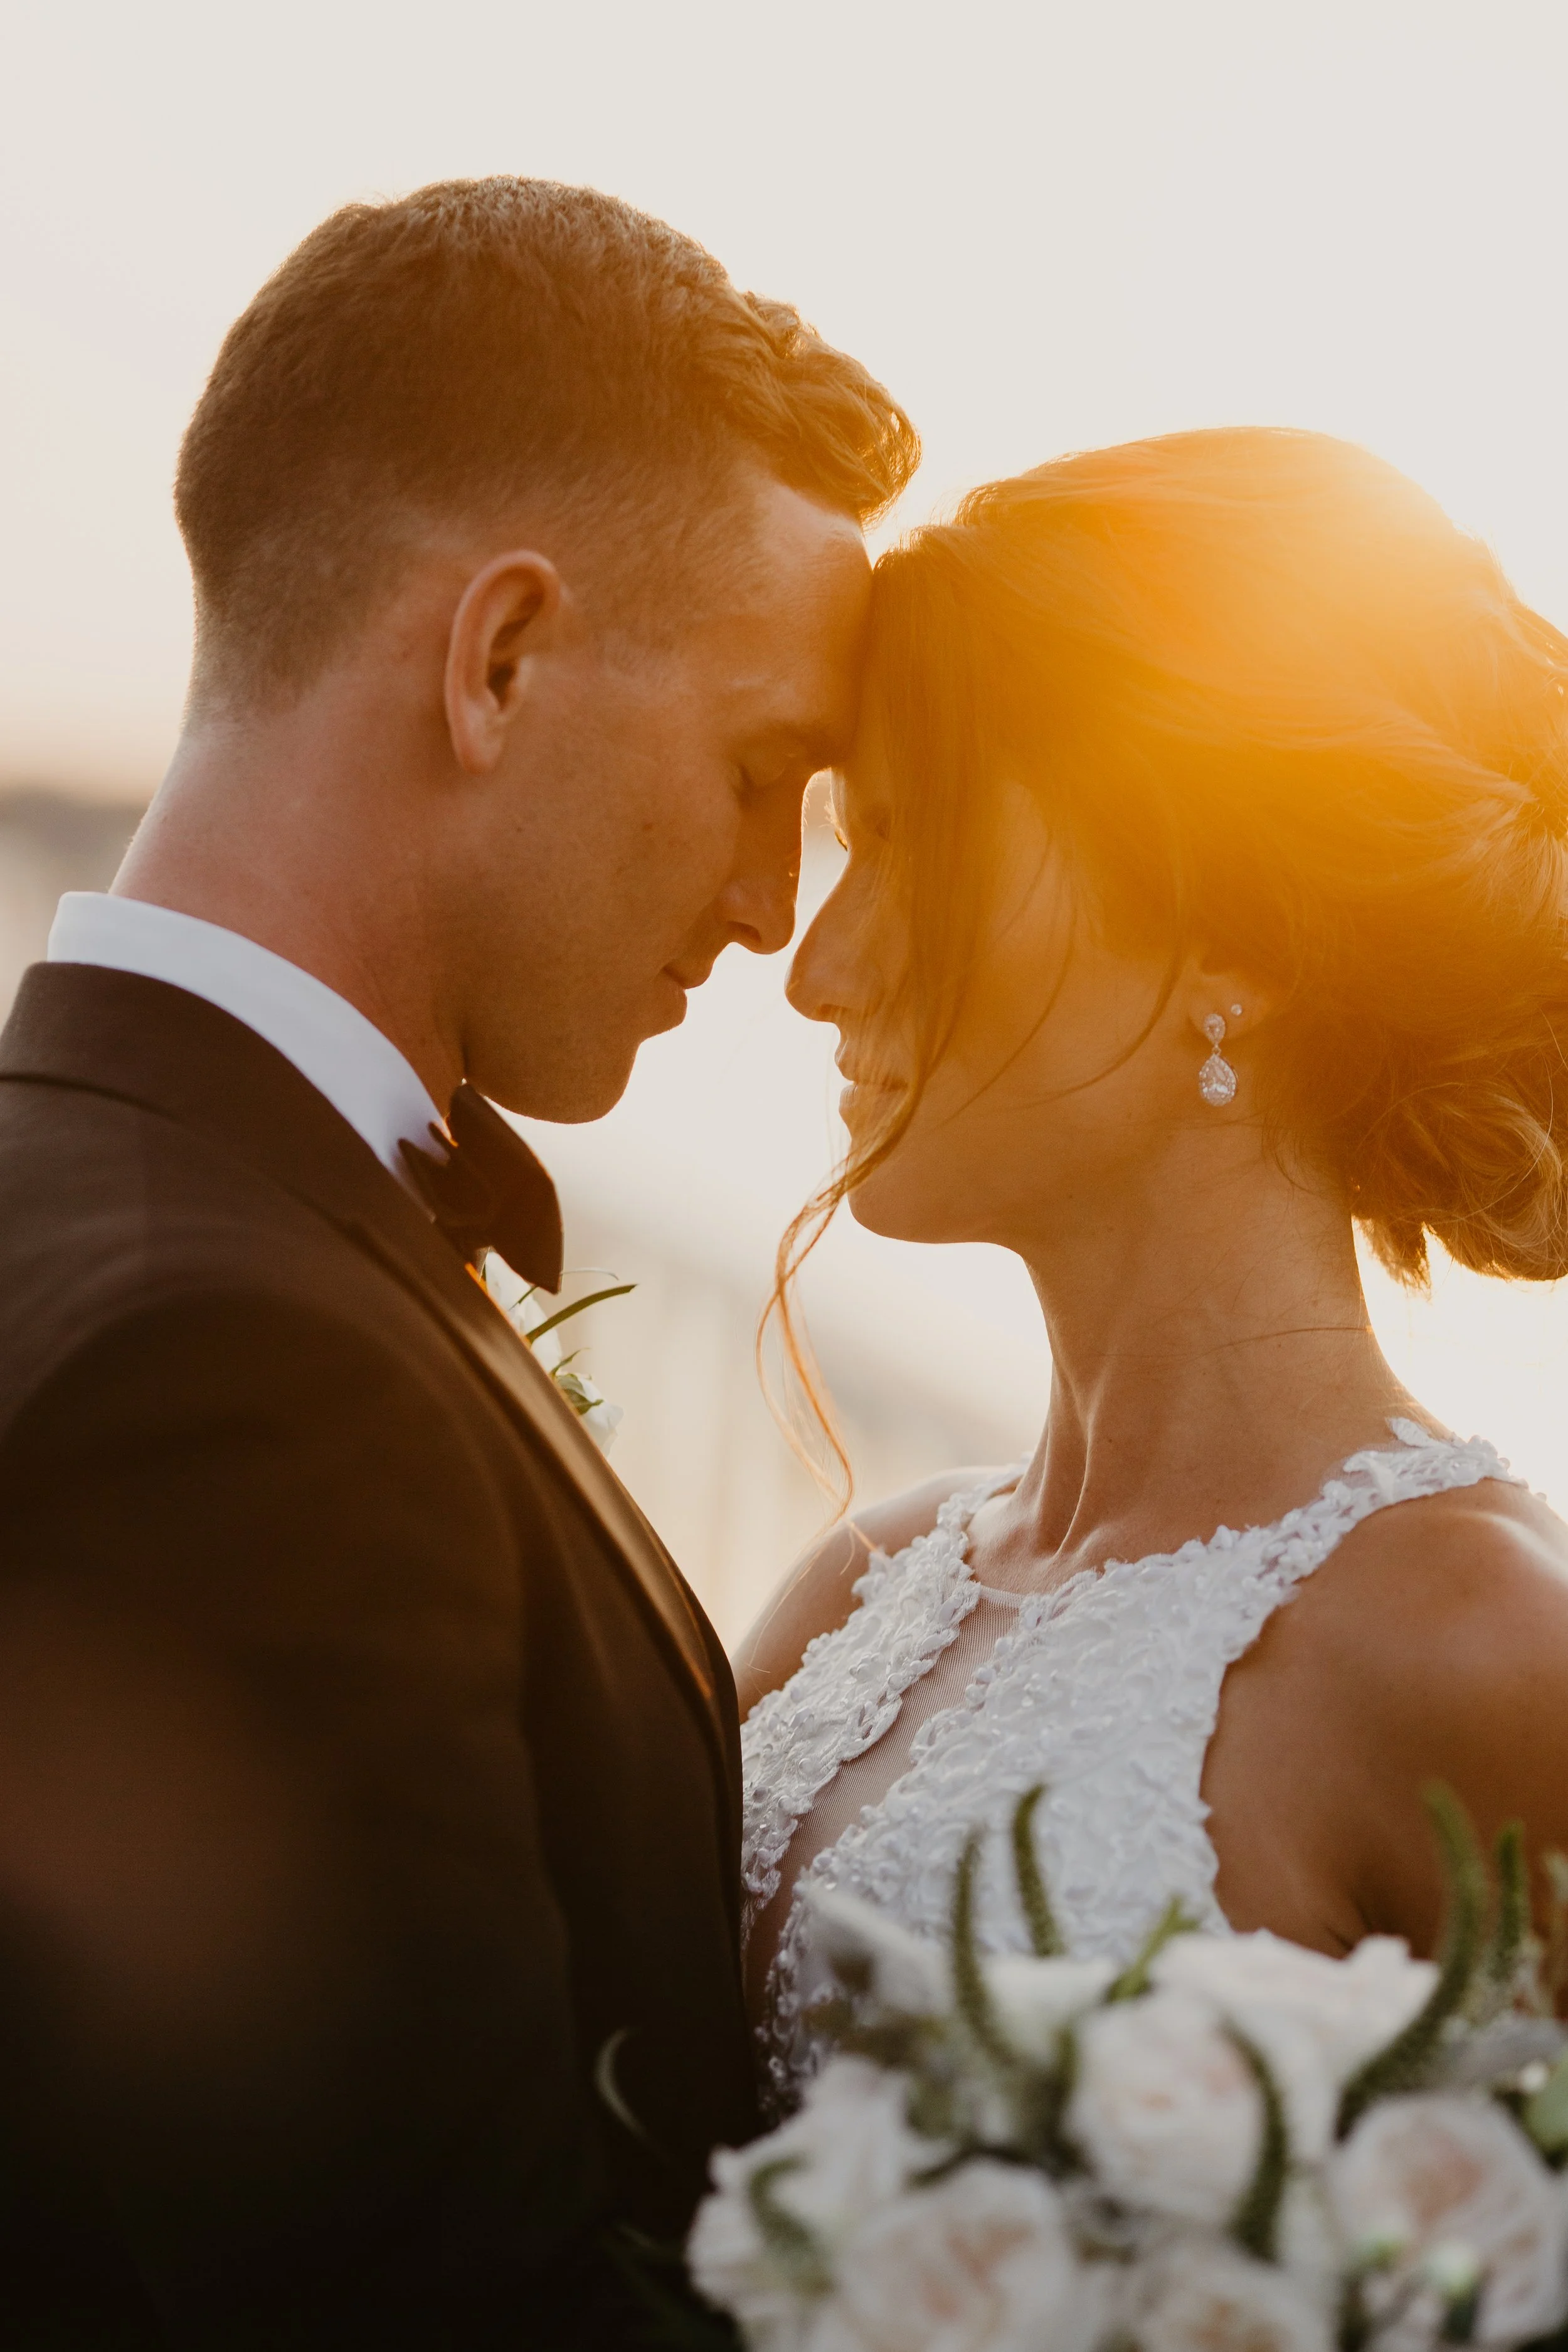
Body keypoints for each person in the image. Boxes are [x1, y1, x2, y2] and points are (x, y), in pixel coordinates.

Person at [0, 177, 915, 2344]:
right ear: (497, 657)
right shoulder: (245, 1370)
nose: (779, 907)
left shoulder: (115, 1209)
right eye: (761, 766)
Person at [735, 428, 1568, 2115]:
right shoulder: (858, 1588)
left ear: (1231, 940)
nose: (817, 968)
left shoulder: (1488, 1657)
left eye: (913, 848)